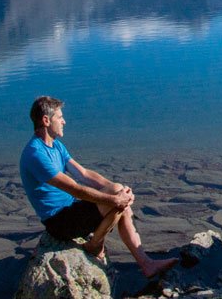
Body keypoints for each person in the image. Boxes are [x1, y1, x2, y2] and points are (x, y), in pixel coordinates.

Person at [19, 96, 176, 276]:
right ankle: (94, 245)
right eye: (59, 117)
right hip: (58, 222)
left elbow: (83, 174)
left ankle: (146, 264)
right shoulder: (36, 154)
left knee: (120, 198)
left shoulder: (56, 147)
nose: (64, 121)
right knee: (118, 201)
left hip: (70, 210)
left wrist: (118, 189)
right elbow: (74, 188)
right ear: (46, 120)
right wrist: (114, 198)